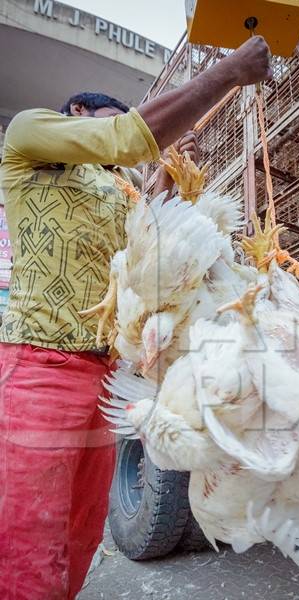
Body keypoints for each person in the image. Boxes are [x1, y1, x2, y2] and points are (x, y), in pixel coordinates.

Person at [0, 36, 272, 599]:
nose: (124, 134)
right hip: (40, 369)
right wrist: (224, 74)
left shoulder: (118, 188)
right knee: (27, 545)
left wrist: (169, 178)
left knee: (77, 538)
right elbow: (126, 139)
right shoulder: (31, 134)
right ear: (79, 113)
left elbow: (148, 242)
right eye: (112, 120)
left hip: (105, 380)